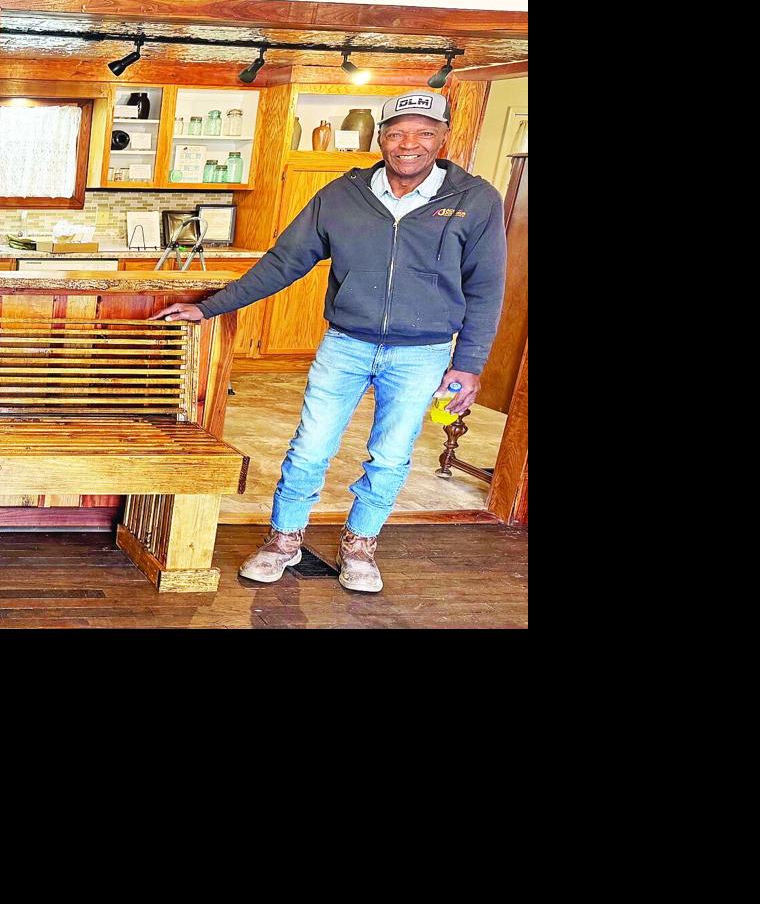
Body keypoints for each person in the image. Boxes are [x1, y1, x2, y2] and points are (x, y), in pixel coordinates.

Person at [154, 91, 507, 593]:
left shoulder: (475, 200)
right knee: (309, 447)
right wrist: (211, 306)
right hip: (346, 343)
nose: (409, 143)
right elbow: (285, 262)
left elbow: (486, 287)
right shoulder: (342, 195)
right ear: (380, 138)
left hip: (423, 352)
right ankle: (284, 541)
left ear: (443, 137)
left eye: (424, 132)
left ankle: (360, 546)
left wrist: (468, 363)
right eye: (397, 132)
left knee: (390, 455)